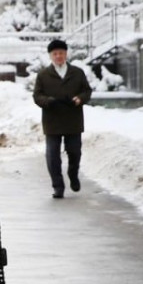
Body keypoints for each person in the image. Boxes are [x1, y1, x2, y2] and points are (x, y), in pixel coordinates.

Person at [32, 38, 92, 199]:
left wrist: (80, 98)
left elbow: (87, 91)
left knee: (75, 152)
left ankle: (73, 174)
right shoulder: (44, 75)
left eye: (61, 53)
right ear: (51, 56)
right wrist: (48, 101)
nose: (59, 56)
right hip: (52, 121)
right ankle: (58, 186)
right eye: (55, 53)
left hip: (73, 120)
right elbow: (37, 96)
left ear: (66, 54)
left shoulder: (77, 73)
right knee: (52, 155)